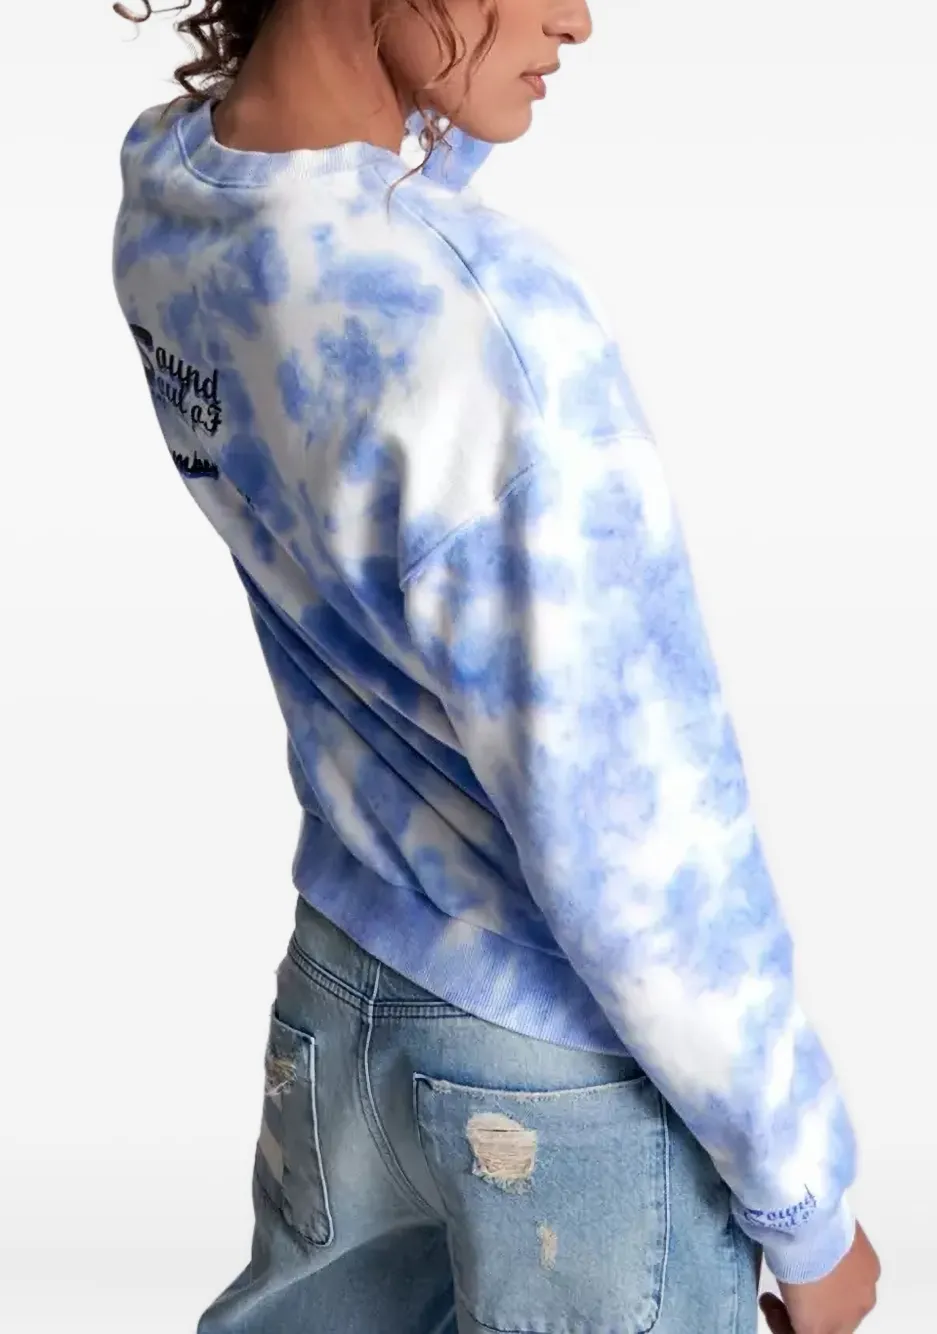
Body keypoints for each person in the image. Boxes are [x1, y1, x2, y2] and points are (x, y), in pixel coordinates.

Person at [111, 2, 881, 1331]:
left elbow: (350, 198)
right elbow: (643, 850)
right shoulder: (500, 333)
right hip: (558, 1092)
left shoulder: (175, 205)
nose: (577, 18)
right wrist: (807, 1211)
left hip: (344, 1000)